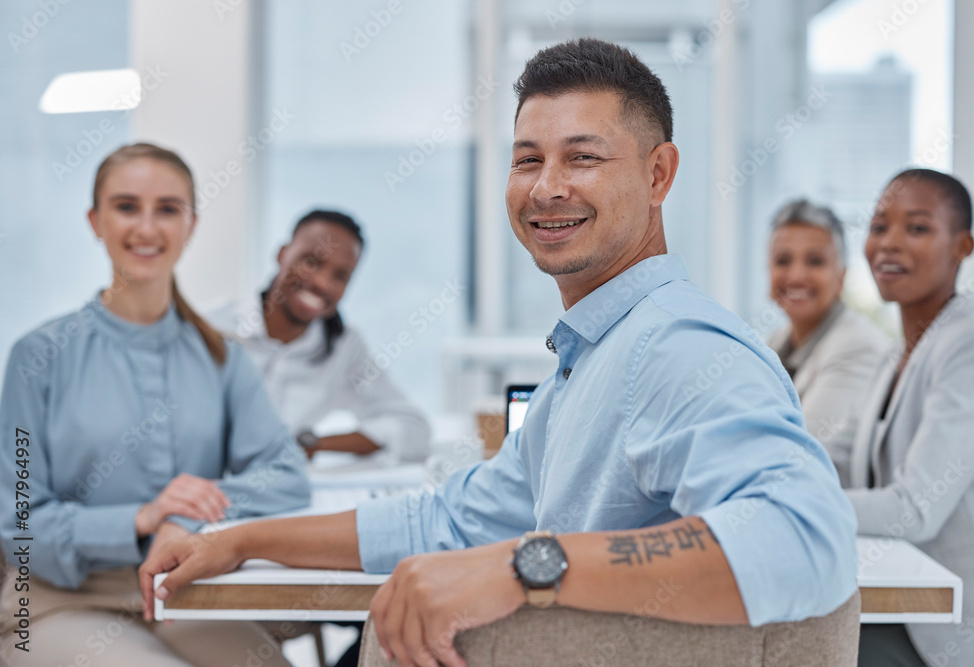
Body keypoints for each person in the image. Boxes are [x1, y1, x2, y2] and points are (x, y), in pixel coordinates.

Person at [140, 39, 858, 667]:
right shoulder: (585, 366)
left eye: (583, 157)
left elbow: (800, 536)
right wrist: (241, 538)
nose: (547, 187)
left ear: (658, 174)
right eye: (527, 160)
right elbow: (443, 521)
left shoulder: (677, 344)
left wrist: (526, 565)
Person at [0, 143, 310, 666]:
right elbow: (20, 527)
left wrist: (185, 521)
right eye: (126, 206)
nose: (147, 228)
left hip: (185, 596)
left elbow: (285, 475)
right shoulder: (38, 358)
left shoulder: (222, 357)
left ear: (190, 225)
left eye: (167, 209)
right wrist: (142, 518)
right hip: (59, 603)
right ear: (95, 221)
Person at [838, 169, 974, 667]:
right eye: (879, 226)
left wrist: (797, 502)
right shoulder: (898, 352)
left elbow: (915, 508)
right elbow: (841, 457)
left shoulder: (970, 347)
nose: (889, 244)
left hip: (952, 629)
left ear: (962, 245)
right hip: (902, 600)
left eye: (917, 228)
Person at [208, 209, 430, 463]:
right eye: (311, 262)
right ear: (282, 255)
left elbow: (414, 430)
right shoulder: (210, 326)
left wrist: (310, 444)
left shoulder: (344, 348)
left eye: (340, 276)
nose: (322, 283)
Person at [766, 199, 888, 478]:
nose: (796, 275)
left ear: (841, 276)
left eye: (815, 261)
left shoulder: (858, 347)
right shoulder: (776, 341)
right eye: (782, 260)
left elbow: (802, 457)